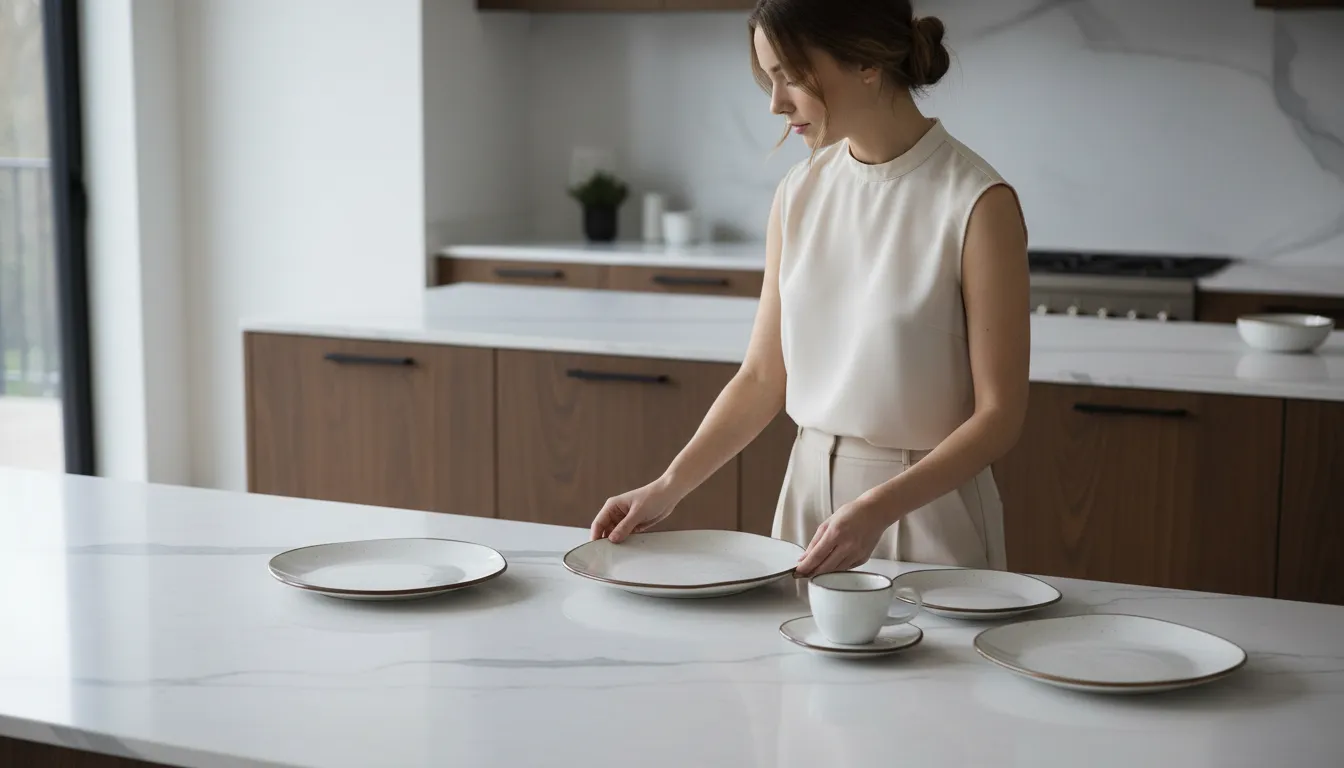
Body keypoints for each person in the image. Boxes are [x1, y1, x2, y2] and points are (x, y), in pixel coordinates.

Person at [588, 0, 1030, 578]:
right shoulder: (798, 193)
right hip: (805, 505)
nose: (775, 103)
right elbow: (762, 378)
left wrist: (879, 507)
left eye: (790, 76)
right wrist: (668, 486)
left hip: (926, 513)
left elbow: (999, 415)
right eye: (769, 78)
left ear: (866, 63)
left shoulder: (977, 203)